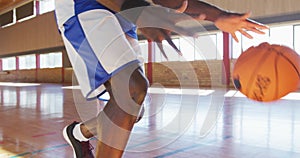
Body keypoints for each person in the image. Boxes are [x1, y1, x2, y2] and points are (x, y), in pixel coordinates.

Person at [54, 0, 268, 157]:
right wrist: (141, 15)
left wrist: (217, 16)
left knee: (131, 110)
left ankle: (78, 133)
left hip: (123, 12)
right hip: (85, 5)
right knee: (131, 91)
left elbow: (174, 2)